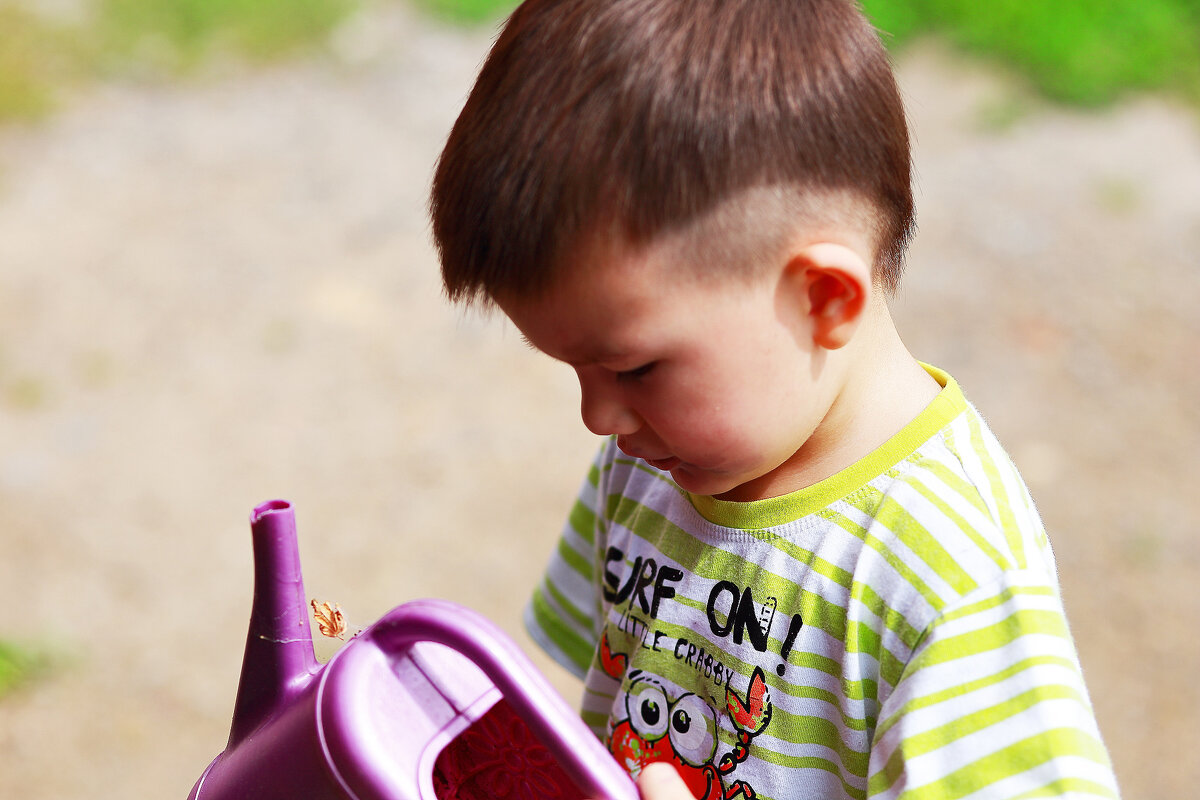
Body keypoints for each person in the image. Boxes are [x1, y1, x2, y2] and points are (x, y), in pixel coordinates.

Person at [429, 0, 1121, 798]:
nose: (599, 418)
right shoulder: (659, 459)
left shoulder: (951, 578)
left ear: (823, 300)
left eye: (636, 368)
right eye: (574, 369)